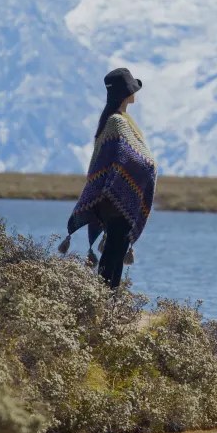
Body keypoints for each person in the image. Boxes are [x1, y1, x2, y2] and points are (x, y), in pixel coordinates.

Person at [62, 67, 157, 289]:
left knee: (116, 249)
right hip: (117, 196)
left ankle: (107, 298)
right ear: (126, 92)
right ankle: (105, 298)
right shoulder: (117, 122)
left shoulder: (119, 119)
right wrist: (149, 165)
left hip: (114, 196)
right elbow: (126, 157)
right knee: (114, 251)